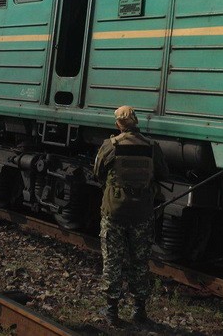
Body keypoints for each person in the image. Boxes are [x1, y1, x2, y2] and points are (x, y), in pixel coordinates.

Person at [93, 105, 169, 325]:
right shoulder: (151, 147)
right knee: (140, 263)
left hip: (114, 214)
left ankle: (111, 313)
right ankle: (139, 312)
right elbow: (163, 173)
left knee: (113, 262)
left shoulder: (110, 146)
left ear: (117, 124)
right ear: (136, 121)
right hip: (142, 214)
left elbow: (98, 173)